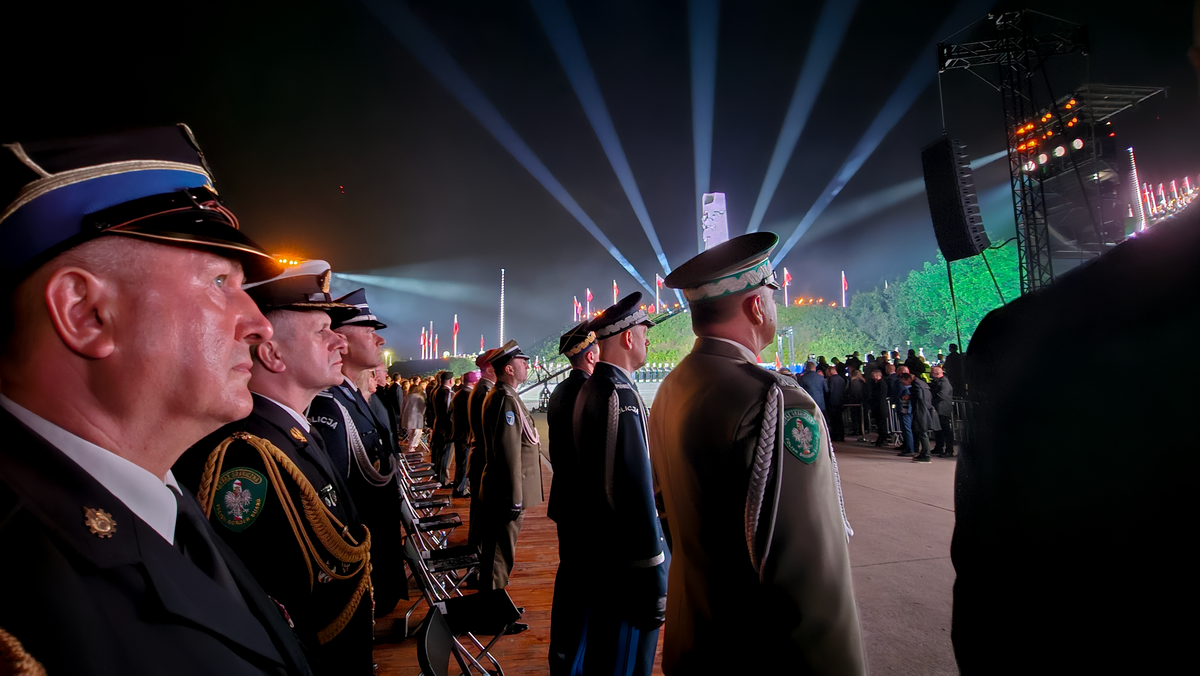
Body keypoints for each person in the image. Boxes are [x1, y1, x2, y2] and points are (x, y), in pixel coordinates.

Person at [0, 125, 312, 675]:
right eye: (219, 282)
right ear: (86, 313)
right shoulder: (23, 590)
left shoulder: (161, 498)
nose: (259, 324)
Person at [652, 233, 864, 674]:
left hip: (695, 643)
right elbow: (811, 577)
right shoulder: (773, 401)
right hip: (753, 653)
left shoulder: (672, 387)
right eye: (772, 294)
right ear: (756, 307)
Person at [175, 260, 374, 674]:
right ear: (272, 354)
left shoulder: (292, 432)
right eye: (322, 331)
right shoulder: (245, 453)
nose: (340, 341)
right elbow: (271, 605)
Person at [572, 295, 668, 676]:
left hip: (602, 556)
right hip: (627, 568)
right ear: (628, 338)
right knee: (627, 664)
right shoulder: (619, 395)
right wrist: (654, 570)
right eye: (643, 333)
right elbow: (634, 494)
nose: (647, 340)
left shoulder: (593, 387)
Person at [307, 288, 407, 619]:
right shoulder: (330, 406)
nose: (380, 340)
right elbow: (334, 506)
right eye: (369, 331)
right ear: (342, 340)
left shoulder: (350, 399)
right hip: (361, 555)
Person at [545, 322, 599, 675]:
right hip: (583, 505)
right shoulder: (588, 392)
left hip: (567, 499)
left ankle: (564, 656)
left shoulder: (563, 389)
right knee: (580, 586)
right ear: (591, 356)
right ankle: (571, 659)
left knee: (571, 579)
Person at [478, 340, 542, 605]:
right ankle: (492, 613)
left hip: (504, 490)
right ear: (509, 369)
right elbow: (508, 452)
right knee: (498, 556)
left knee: (502, 553)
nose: (526, 364)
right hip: (505, 492)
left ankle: (495, 607)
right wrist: (515, 498)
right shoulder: (505, 400)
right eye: (522, 361)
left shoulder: (507, 396)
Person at [465, 349, 498, 561]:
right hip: (483, 459)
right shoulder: (486, 392)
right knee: (482, 515)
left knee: (479, 514)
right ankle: (477, 561)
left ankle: (475, 556)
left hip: (478, 457)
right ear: (490, 369)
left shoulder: (480, 388)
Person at [449, 370, 478, 498]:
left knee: (461, 462)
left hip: (459, 432)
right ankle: (460, 488)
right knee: (463, 463)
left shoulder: (458, 393)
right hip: (465, 434)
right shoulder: (468, 395)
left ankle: (460, 486)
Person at [902, 372, 938, 463]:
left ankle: (926, 455)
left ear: (908, 379)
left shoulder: (916, 385)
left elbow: (918, 397)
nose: (903, 384)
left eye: (903, 381)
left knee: (922, 432)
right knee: (922, 432)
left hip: (920, 411)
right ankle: (924, 453)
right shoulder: (922, 383)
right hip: (925, 409)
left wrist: (910, 397)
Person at [430, 370, 455, 486]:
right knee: (445, 454)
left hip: (438, 425)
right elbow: (448, 412)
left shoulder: (436, 391)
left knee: (439, 453)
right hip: (445, 428)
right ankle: (443, 479)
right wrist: (451, 428)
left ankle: (438, 475)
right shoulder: (448, 393)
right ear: (450, 380)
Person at [929, 366, 955, 457]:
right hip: (938, 408)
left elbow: (941, 396)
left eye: (932, 372)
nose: (930, 374)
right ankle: (939, 447)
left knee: (945, 429)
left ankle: (949, 449)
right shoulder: (939, 383)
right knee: (938, 429)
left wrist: (932, 398)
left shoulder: (944, 384)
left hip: (943, 409)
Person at [400, 381, 426, 450]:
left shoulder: (406, 397)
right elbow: (422, 409)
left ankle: (410, 447)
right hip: (417, 419)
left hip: (407, 418)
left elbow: (401, 407)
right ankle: (412, 447)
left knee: (410, 434)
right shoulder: (419, 398)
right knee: (417, 433)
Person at [827, 366, 847, 442]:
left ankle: (835, 435)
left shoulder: (831, 379)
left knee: (833, 420)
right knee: (839, 419)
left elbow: (830, 390)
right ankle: (841, 436)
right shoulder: (842, 379)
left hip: (832, 401)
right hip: (840, 401)